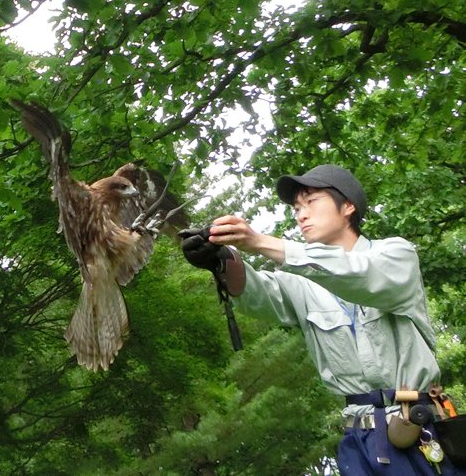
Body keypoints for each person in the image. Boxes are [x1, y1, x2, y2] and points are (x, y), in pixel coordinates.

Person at [180, 164, 465, 476]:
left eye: (311, 202)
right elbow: (258, 293)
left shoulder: (396, 254)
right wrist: (221, 258)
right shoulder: (303, 281)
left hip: (416, 427)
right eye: (296, 208)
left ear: (348, 206)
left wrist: (258, 241)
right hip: (357, 440)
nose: (300, 214)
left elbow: (360, 276)